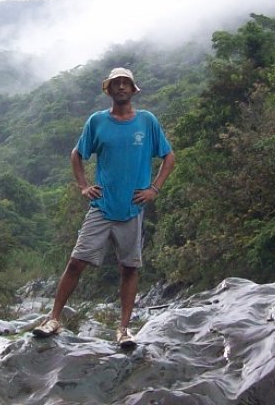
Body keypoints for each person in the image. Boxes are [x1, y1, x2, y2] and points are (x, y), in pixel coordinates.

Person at [33, 67, 175, 347]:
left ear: (134, 90)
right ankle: (53, 319)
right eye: (116, 84)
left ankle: (123, 330)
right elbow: (77, 154)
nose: (121, 87)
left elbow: (169, 156)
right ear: (108, 90)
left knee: (129, 268)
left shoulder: (147, 121)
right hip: (102, 205)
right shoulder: (97, 122)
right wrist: (83, 185)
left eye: (126, 83)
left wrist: (154, 189)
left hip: (132, 207)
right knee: (76, 262)